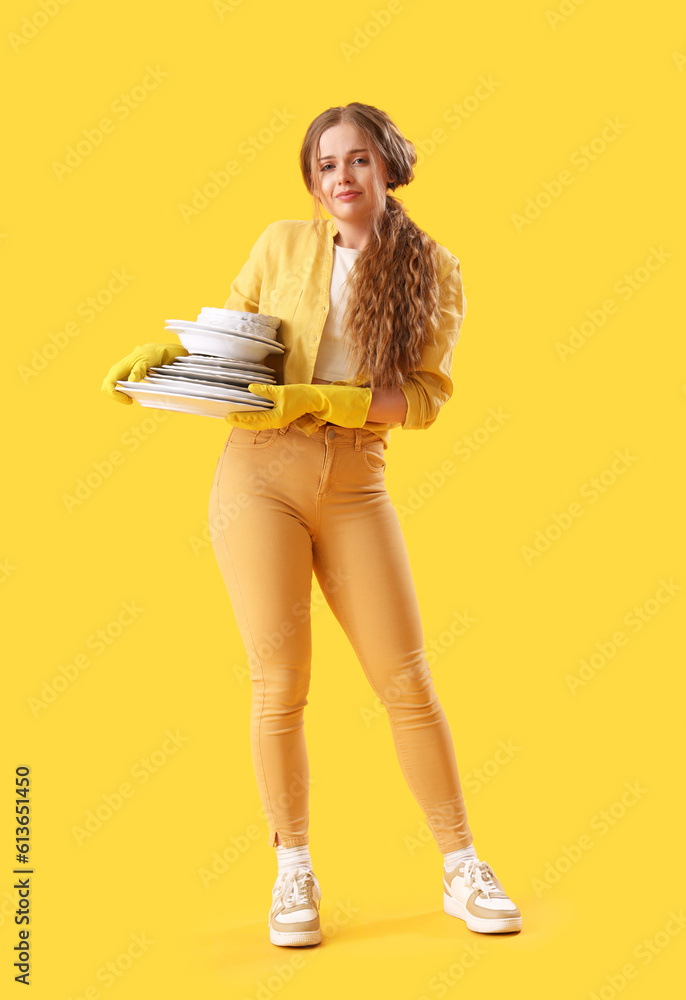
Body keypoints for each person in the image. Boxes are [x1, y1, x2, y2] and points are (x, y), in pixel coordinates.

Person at [101, 102, 522, 946]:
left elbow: (429, 398)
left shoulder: (434, 269)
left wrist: (332, 400)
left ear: (389, 166)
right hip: (258, 476)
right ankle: (292, 871)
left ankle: (461, 864)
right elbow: (235, 343)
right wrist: (170, 364)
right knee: (280, 682)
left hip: (356, 479)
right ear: (312, 179)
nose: (341, 178)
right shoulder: (278, 245)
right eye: (326, 165)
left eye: (358, 160)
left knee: (406, 681)